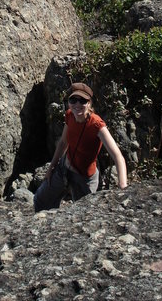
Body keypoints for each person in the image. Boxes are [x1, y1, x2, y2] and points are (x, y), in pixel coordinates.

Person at [34, 82, 127, 212]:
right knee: (40, 200)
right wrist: (51, 167)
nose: (77, 105)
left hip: (84, 178)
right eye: (73, 100)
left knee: (83, 214)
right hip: (64, 168)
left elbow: (118, 156)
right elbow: (63, 143)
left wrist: (123, 186)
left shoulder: (96, 125)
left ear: (89, 104)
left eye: (82, 101)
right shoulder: (70, 115)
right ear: (68, 102)